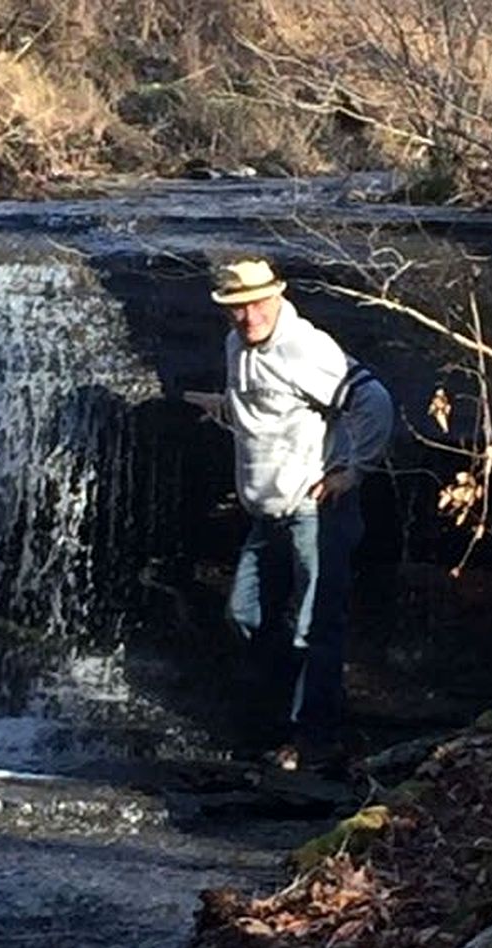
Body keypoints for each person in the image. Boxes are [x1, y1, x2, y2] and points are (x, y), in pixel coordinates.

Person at [184, 257, 393, 772]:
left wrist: (352, 471)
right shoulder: (236, 345)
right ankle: (284, 720)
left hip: (314, 511)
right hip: (266, 513)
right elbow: (266, 407)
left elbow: (375, 400)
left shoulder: (308, 349)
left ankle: (315, 740)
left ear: (277, 296)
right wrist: (220, 406)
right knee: (246, 614)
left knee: (314, 626)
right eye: (236, 308)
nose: (248, 316)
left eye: (256, 304)